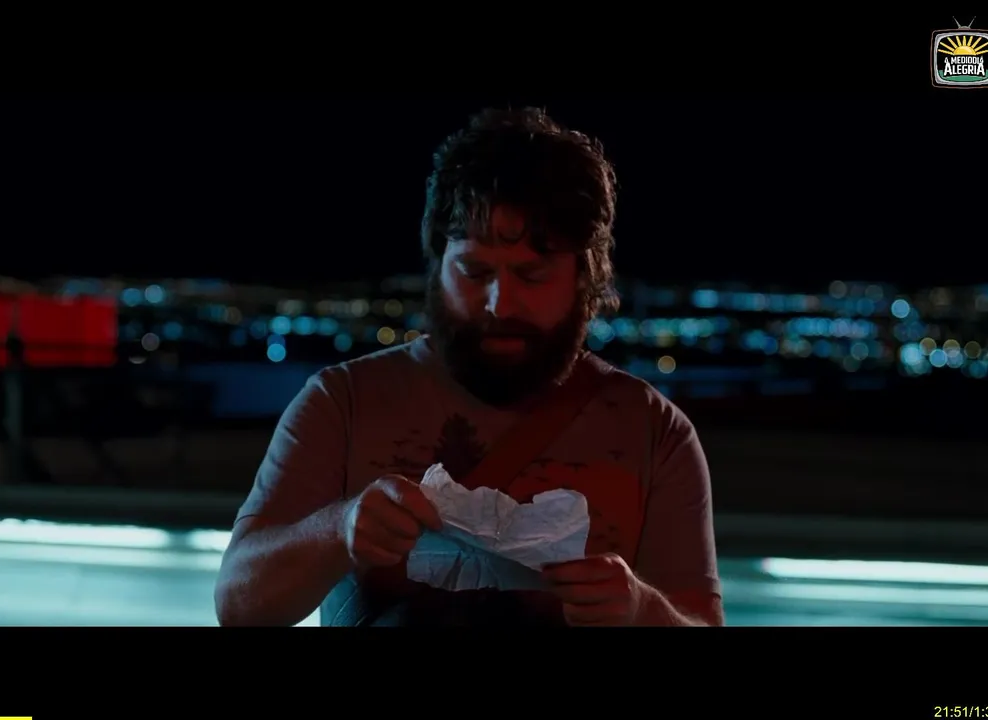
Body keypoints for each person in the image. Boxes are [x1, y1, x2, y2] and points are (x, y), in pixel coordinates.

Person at [214, 107, 723, 627]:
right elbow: (238, 604)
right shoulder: (342, 402)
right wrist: (339, 529)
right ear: (438, 264)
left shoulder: (654, 432)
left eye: (532, 275)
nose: (500, 304)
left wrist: (641, 608)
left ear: (583, 277)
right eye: (474, 271)